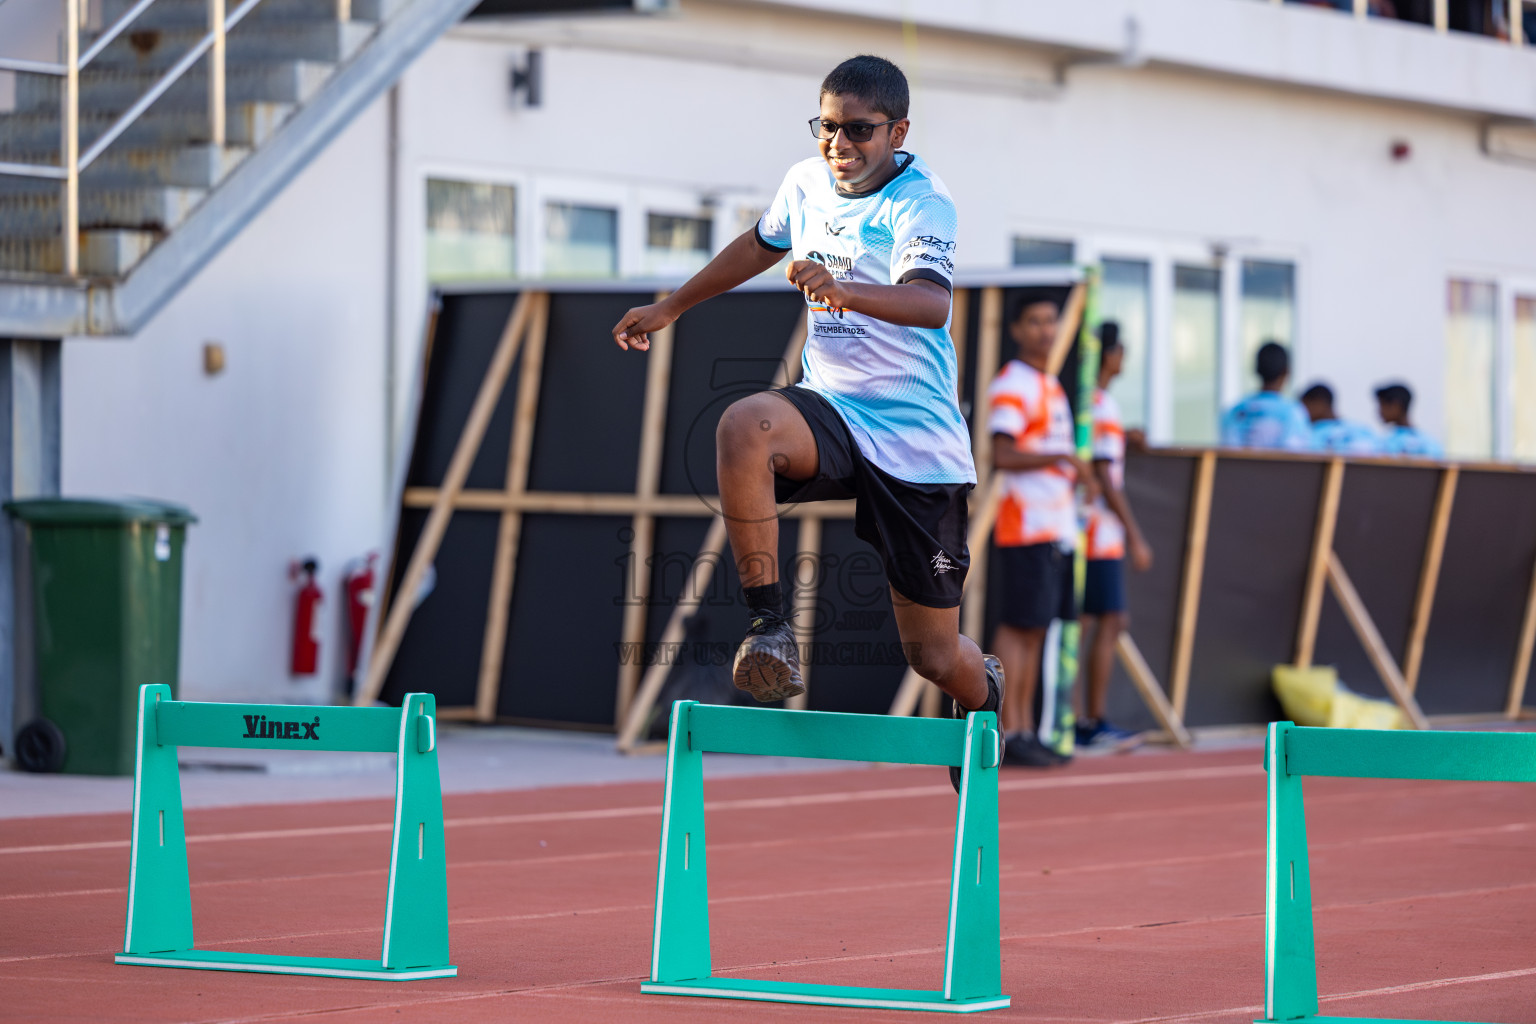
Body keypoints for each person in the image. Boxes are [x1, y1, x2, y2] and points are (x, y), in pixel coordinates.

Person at [611, 55, 1002, 791]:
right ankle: (771, 627)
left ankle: (982, 688)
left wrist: (844, 290)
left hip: (916, 444)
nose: (839, 145)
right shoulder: (805, 181)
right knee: (743, 425)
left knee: (933, 657)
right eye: (827, 127)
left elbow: (930, 304)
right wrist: (672, 306)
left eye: (858, 131)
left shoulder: (923, 202)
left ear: (898, 131)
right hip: (833, 409)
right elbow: (759, 244)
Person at [987, 293, 1098, 767]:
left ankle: (1026, 727)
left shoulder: (1050, 384)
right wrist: (1064, 457)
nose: (1045, 330)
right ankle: (1006, 729)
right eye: (1033, 322)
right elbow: (1002, 454)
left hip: (1056, 529)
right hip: (1024, 524)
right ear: (1015, 330)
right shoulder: (1014, 382)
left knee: (1038, 631)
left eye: (1051, 321)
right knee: (1019, 628)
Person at [1076, 324, 1152, 749]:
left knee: (1091, 622)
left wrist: (1126, 438)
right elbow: (1105, 474)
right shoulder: (1101, 404)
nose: (1124, 357)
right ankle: (1089, 721)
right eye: (1121, 349)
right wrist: (1135, 535)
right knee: (1098, 622)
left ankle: (1079, 720)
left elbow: (1103, 453)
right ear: (1109, 355)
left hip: (1089, 532)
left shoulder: (1092, 402)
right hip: (1098, 534)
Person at [1220, 342, 1313, 450]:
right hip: (1278, 467)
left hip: (1237, 467)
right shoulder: (1293, 413)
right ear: (1286, 372)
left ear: (1256, 370)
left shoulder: (1232, 412)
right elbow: (1296, 456)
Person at [1301, 382, 1379, 455]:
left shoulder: (1312, 434)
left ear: (1319, 403)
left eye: (1304, 407)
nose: (1302, 413)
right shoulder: (1362, 429)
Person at [1375, 383, 1443, 457]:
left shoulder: (1427, 445)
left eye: (1383, 405)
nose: (1379, 411)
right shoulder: (1384, 442)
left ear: (1396, 405)